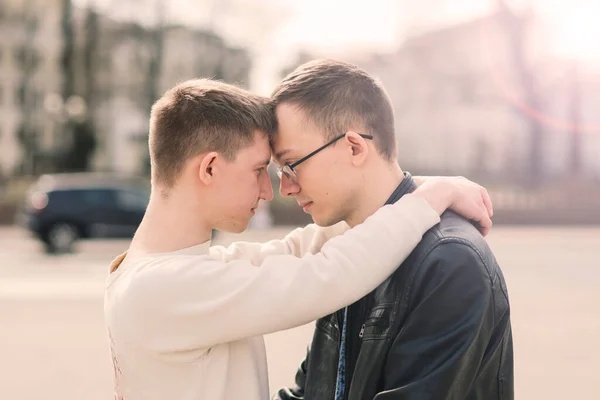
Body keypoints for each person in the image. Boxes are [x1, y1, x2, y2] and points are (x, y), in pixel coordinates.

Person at [104, 79, 493, 400]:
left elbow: (297, 250)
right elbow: (327, 273)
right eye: (261, 169)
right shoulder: (163, 288)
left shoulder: (154, 272)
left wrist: (400, 189)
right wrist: (431, 198)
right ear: (209, 168)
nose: (269, 190)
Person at [270, 59, 513, 400]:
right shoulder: (347, 250)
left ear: (354, 147)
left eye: (291, 165)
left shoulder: (451, 261)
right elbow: (308, 391)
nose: (286, 188)